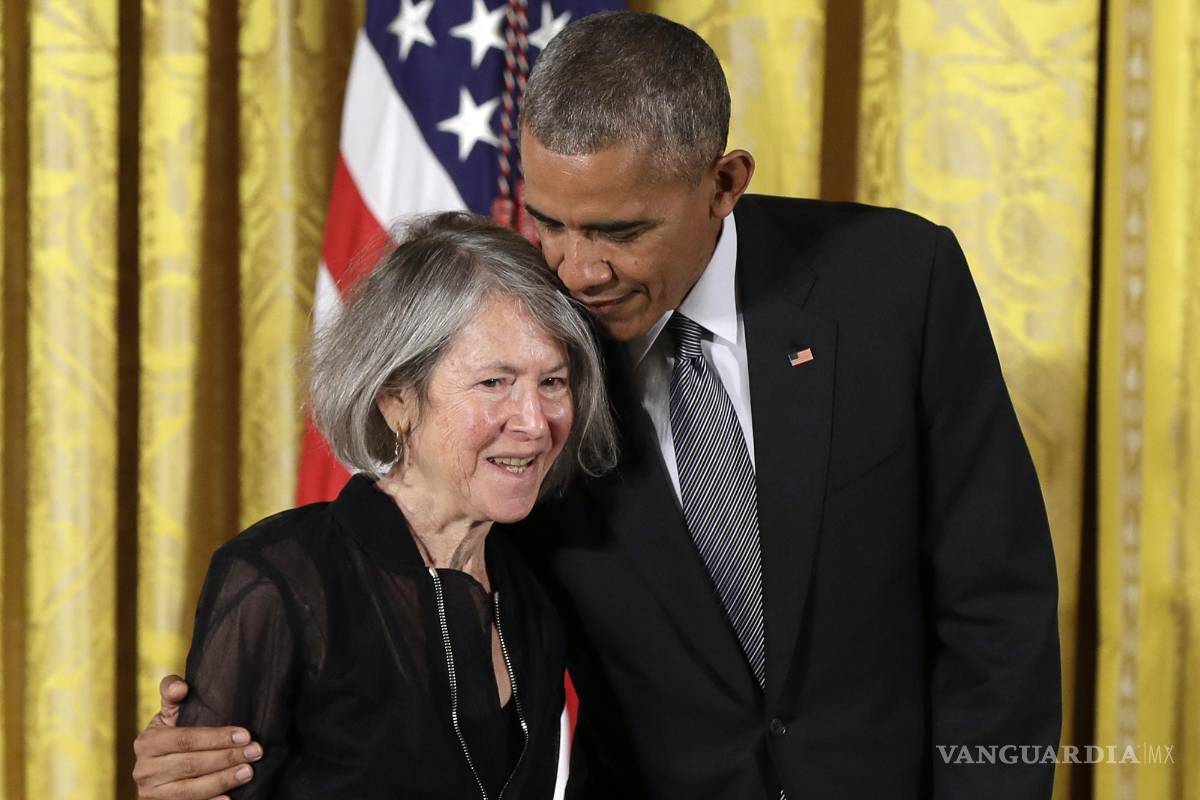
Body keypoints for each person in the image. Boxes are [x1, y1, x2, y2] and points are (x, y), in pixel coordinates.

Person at [134, 11, 1061, 799]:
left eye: (619, 231)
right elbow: (415, 642)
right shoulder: (536, 343)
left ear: (723, 185)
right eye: (551, 222)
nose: (578, 269)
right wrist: (222, 736)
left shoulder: (895, 283)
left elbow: (997, 602)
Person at [131, 211, 617, 799]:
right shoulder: (279, 578)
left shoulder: (536, 589)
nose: (534, 423)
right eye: (494, 383)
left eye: (553, 382)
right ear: (396, 399)